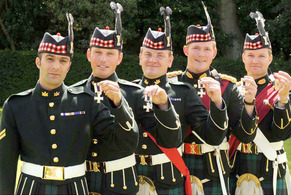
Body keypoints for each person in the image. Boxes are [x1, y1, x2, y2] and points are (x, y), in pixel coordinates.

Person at [0, 13, 138, 194]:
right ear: (38, 62)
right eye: (50, 59)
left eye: (63, 60)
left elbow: (124, 143)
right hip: (31, 188)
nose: (56, 66)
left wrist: (119, 106)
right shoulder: (15, 105)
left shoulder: (87, 101)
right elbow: (5, 164)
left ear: (69, 66)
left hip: (75, 188)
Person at [71, 2, 181, 195]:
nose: (103, 59)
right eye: (98, 53)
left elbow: (169, 140)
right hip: (81, 183)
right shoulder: (74, 92)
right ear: (89, 55)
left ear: (119, 58)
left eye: (110, 54)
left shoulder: (135, 93)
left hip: (119, 184)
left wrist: (164, 105)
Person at [134, 6, 230, 195]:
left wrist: (218, 103)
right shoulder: (126, 91)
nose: (153, 60)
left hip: (168, 179)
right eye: (148, 54)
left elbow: (213, 136)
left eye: (160, 55)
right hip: (131, 179)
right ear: (139, 57)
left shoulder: (184, 92)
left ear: (170, 60)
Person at [167, 3, 258, 194]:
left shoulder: (228, 86)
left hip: (215, 166)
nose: (201, 54)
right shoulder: (170, 84)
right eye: (196, 48)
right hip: (176, 166)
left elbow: (245, 135)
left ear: (214, 52)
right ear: (185, 50)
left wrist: (250, 103)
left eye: (207, 49)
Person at [229, 11, 291, 195]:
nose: (255, 61)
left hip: (269, 168)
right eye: (250, 55)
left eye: (261, 56)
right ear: (243, 58)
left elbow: (283, 133)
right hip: (237, 166)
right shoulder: (233, 89)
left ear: (270, 58)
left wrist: (282, 98)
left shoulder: (283, 88)